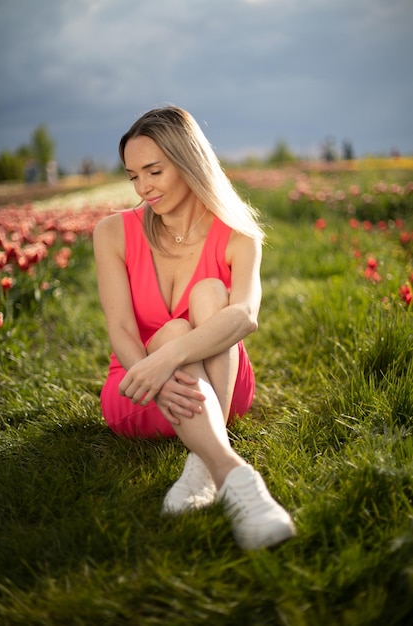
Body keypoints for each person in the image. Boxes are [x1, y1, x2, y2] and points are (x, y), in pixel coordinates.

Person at [93, 106, 296, 550]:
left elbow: (244, 315)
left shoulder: (238, 233)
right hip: (139, 387)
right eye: (133, 176)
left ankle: (207, 464)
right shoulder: (111, 233)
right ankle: (232, 474)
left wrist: (165, 360)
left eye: (154, 171)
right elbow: (122, 330)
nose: (143, 187)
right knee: (171, 330)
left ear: (188, 161)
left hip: (217, 381)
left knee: (207, 297)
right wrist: (153, 375)